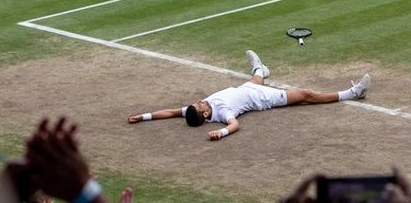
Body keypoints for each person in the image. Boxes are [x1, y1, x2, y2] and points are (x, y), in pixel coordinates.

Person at [126, 50, 370, 141]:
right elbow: (234, 125)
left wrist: (143, 116)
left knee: (256, 77)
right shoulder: (221, 114)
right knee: (307, 95)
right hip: (263, 99)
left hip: (246, 88)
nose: (200, 101)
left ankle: (260, 69)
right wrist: (220, 133)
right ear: (204, 113)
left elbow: (168, 112)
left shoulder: (198, 109)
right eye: (200, 105)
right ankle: (353, 92)